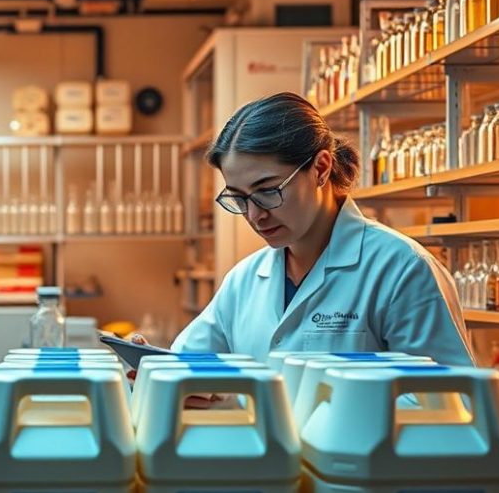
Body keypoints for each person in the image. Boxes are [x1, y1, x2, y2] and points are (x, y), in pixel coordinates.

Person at [170, 93, 473, 366]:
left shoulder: (401, 270)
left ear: (320, 168)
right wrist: (148, 367)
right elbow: (185, 365)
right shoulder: (244, 281)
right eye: (239, 197)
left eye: (267, 191)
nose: (254, 214)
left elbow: (448, 402)